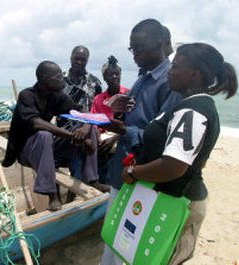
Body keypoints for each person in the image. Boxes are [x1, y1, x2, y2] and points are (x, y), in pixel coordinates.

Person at [119, 42, 238, 264]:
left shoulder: (192, 111)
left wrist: (133, 171)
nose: (170, 72)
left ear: (193, 74)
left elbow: (173, 166)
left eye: (175, 66)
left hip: (179, 203)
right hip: (170, 198)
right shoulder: (192, 106)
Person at [100, 19, 182, 265]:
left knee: (129, 242)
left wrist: (124, 129)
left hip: (142, 174)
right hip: (122, 170)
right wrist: (119, 113)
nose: (134, 55)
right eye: (131, 49)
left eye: (139, 48)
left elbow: (161, 135)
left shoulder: (171, 82)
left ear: (160, 45)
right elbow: (138, 117)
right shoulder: (142, 78)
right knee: (112, 236)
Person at [2, 60, 108, 211]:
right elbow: (36, 123)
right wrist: (71, 135)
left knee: (88, 128)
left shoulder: (56, 96)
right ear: (45, 79)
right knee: (44, 135)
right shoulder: (27, 95)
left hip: (47, 150)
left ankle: (93, 180)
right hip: (27, 152)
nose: (62, 79)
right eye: (58, 76)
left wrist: (85, 126)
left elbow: (80, 112)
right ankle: (52, 195)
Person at [91, 55, 130, 184]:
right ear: (104, 78)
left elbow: (131, 124)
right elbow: (95, 121)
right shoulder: (99, 99)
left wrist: (114, 138)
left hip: (121, 135)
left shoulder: (128, 95)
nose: (114, 77)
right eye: (110, 75)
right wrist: (96, 136)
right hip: (103, 138)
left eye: (117, 74)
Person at [63, 45, 102, 112]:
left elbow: (97, 108)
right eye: (76, 58)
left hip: (86, 122)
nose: (79, 62)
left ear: (87, 60)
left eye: (83, 59)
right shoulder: (60, 79)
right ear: (71, 58)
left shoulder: (95, 83)